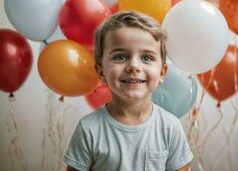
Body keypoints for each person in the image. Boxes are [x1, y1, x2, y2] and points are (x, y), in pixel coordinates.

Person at [64, 11, 193, 171]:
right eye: (120, 57)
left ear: (161, 73)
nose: (134, 66)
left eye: (146, 57)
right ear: (101, 71)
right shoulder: (89, 129)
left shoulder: (170, 128)